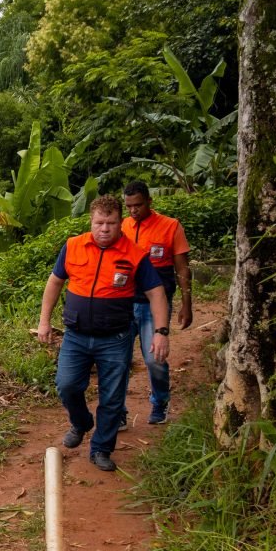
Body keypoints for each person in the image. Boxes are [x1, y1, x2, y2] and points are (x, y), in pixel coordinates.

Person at [37, 195, 170, 472]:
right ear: (91, 222)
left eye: (111, 223)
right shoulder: (73, 246)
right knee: (67, 385)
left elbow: (156, 293)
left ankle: (101, 448)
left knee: (112, 397)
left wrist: (161, 332)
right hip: (76, 335)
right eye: (99, 222)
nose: (105, 229)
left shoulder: (135, 254)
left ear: (120, 223)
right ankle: (82, 422)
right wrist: (44, 321)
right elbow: (55, 282)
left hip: (116, 338)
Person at [122, 181, 192, 425]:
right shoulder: (122, 227)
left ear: (149, 201)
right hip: (125, 303)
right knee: (118, 358)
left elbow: (182, 268)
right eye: (129, 206)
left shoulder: (170, 226)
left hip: (155, 304)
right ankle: (117, 411)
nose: (133, 211)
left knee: (155, 358)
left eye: (138, 205)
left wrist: (187, 303)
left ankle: (160, 401)